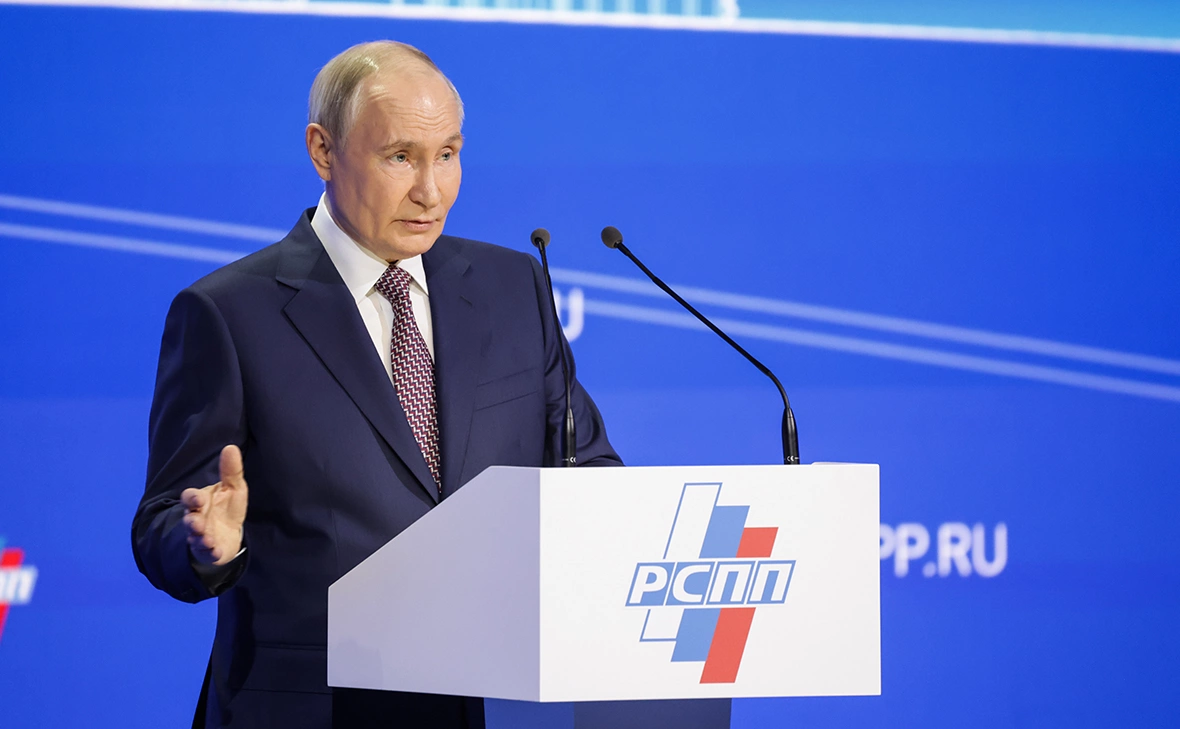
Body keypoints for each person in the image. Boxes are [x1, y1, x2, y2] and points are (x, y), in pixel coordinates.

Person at [132, 40, 621, 729]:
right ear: (323, 151)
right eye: (400, 157)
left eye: (447, 154)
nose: (431, 190)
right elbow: (161, 519)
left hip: (492, 702)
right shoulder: (229, 314)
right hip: (312, 710)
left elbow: (588, 470)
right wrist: (206, 543)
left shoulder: (515, 288)